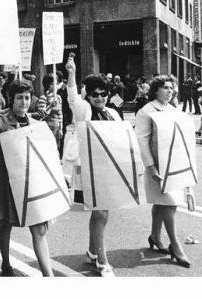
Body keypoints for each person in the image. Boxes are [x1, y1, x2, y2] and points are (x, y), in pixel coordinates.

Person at [0, 79, 54, 277]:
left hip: (31, 181)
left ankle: (49, 278)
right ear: (11, 99)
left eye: (27, 98)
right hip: (7, 181)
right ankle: (5, 264)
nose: (23, 102)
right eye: (19, 98)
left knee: (39, 229)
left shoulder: (34, 122)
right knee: (7, 224)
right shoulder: (3, 118)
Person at [65, 55, 120, 277]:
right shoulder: (83, 109)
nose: (99, 97)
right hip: (89, 169)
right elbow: (72, 96)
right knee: (101, 213)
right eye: (94, 93)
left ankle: (91, 251)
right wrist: (71, 73)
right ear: (88, 94)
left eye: (103, 93)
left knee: (99, 214)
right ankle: (102, 261)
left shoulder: (113, 113)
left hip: (107, 169)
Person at [135, 75, 192, 269]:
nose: (170, 91)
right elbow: (142, 141)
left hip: (173, 166)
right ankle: (175, 245)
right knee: (170, 204)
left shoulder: (173, 110)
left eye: (172, 88)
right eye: (166, 87)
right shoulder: (146, 111)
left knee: (163, 203)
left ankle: (155, 236)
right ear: (155, 90)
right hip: (157, 167)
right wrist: (150, 167)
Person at [36, 74, 63, 151]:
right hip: (47, 127)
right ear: (47, 85)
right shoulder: (43, 98)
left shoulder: (58, 97)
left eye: (56, 83)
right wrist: (50, 106)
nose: (55, 86)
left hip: (57, 127)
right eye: (52, 84)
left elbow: (60, 114)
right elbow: (41, 115)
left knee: (56, 148)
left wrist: (61, 128)